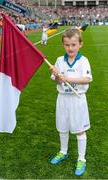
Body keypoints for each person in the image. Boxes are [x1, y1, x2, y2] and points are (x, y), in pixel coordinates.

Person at [50, 28, 92, 176]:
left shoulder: (83, 60)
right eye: (67, 45)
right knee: (62, 128)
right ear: (63, 45)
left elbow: (87, 79)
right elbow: (55, 80)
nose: (70, 48)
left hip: (77, 100)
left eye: (73, 45)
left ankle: (82, 159)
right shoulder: (60, 61)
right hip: (62, 99)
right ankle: (63, 151)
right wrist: (56, 76)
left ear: (80, 44)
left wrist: (68, 79)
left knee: (80, 130)